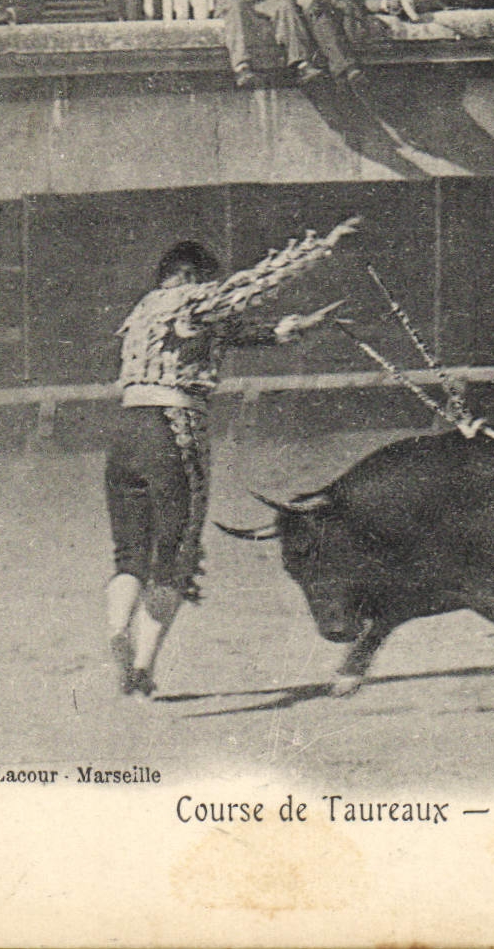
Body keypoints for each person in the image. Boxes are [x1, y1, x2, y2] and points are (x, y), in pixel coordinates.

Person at [103, 217, 361, 699]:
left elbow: (237, 332)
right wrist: (323, 246)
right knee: (174, 559)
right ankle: (141, 666)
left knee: (129, 556)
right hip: (171, 431)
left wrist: (298, 327)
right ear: (191, 276)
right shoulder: (191, 300)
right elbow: (253, 285)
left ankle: (118, 629)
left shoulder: (144, 311)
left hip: (124, 434)